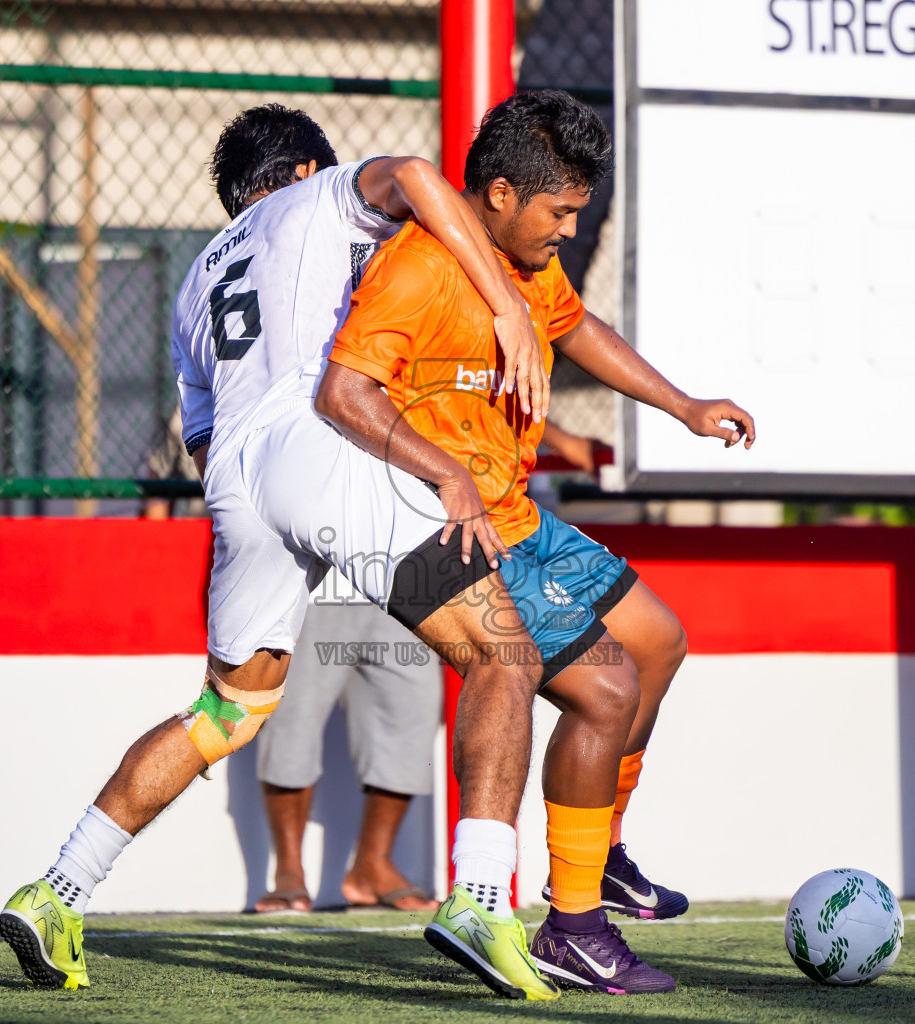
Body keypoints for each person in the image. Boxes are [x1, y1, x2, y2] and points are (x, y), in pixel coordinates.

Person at [0, 104, 563, 1001]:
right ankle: (482, 898)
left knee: (227, 712)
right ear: (302, 172)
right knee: (505, 655)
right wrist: (509, 310)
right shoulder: (317, 199)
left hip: (234, 484)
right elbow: (415, 172)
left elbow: (202, 434)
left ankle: (58, 889)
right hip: (315, 444)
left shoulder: (194, 282)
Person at [317, 90, 756, 995]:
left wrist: (682, 405)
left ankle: (601, 858)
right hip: (451, 528)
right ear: (503, 193)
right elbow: (344, 394)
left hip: (522, 513)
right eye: (560, 213)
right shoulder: (418, 270)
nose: (567, 230)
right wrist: (443, 472)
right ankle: (576, 923)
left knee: (658, 640)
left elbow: (577, 327)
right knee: (605, 690)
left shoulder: (521, 266)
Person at [253, 572, 440, 914]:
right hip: (316, 574)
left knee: (411, 713)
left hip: (406, 576)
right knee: (293, 714)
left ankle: (373, 866)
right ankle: (289, 872)